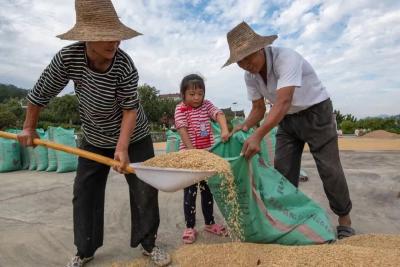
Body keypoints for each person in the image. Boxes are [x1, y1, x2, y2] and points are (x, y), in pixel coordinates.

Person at [16, 0, 171, 266]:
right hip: (94, 136)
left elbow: (130, 110)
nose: (115, 43)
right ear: (86, 37)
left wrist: (122, 148)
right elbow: (39, 94)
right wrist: (29, 127)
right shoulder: (68, 58)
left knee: (144, 189)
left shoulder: (123, 64)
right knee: (85, 190)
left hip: (134, 136)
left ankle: (150, 244)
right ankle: (85, 249)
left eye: (117, 36)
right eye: (105, 37)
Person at [222, 22, 355, 239]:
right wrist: (244, 126)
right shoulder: (250, 76)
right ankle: (287, 218)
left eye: (249, 57)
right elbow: (257, 109)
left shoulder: (287, 58)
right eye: (240, 61)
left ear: (260, 48)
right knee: (282, 171)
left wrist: (258, 135)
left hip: (316, 113)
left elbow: (283, 101)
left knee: (329, 168)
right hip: (286, 120)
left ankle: (344, 219)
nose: (246, 64)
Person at [174, 74, 230, 244]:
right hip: (190, 157)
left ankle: (209, 223)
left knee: (208, 191)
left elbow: (219, 114)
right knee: (190, 193)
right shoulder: (181, 109)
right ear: (183, 94)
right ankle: (190, 227)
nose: (197, 97)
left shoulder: (206, 105)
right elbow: (183, 131)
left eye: (200, 93)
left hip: (207, 156)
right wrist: (193, 152)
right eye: (192, 94)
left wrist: (224, 129)